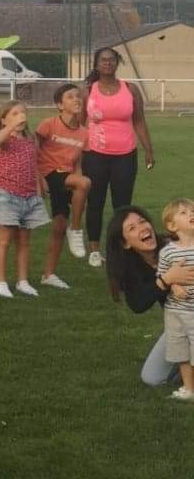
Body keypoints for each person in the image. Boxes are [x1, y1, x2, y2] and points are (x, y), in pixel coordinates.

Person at [105, 207, 194, 388]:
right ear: (126, 243)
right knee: (152, 377)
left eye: (142, 221)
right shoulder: (131, 268)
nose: (142, 228)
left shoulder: (176, 246)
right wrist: (166, 279)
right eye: (132, 228)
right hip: (180, 323)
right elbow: (138, 305)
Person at [83, 46, 155, 268]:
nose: (107, 63)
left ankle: (117, 248)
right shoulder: (88, 91)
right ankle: (94, 250)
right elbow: (78, 125)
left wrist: (149, 150)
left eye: (112, 60)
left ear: (117, 63)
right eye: (103, 60)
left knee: (122, 206)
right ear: (96, 64)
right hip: (94, 154)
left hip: (125, 155)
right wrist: (73, 156)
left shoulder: (130, 90)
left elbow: (139, 121)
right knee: (95, 202)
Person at [0, 101, 49, 299]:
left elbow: (34, 167)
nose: (21, 116)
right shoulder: (4, 139)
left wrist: (38, 191)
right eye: (14, 113)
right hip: (7, 196)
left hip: (29, 197)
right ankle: (1, 283)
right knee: (4, 241)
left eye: (23, 113)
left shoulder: (30, 140)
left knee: (24, 242)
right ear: (4, 119)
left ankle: (23, 281)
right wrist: (10, 127)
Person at [36, 83, 91, 287]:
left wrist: (78, 188)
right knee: (85, 182)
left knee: (59, 226)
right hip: (48, 173)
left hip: (66, 176)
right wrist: (37, 178)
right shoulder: (48, 124)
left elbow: (77, 164)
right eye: (70, 97)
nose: (77, 99)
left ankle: (48, 275)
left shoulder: (84, 133)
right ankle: (76, 230)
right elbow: (33, 148)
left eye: (78, 96)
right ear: (60, 105)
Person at [156, 199, 194, 401]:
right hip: (175, 312)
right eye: (184, 212)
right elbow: (163, 276)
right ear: (172, 226)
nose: (191, 213)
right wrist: (175, 285)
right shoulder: (168, 251)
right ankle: (189, 390)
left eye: (193, 210)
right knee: (181, 353)